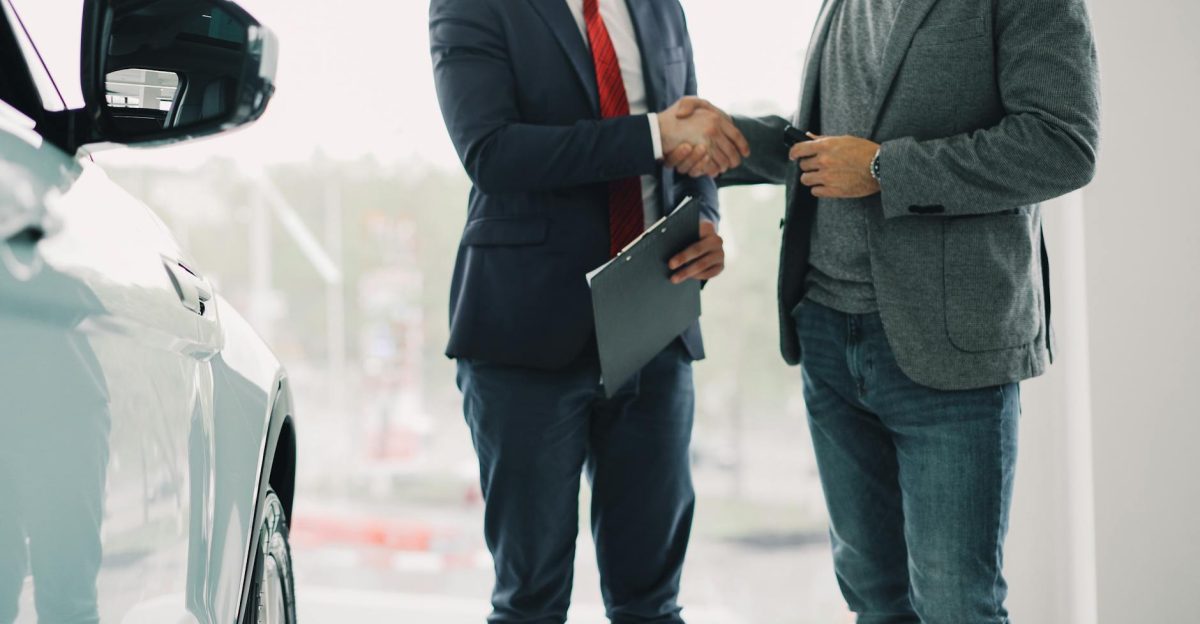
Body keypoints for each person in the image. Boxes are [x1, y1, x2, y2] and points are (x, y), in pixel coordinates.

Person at [666, 0, 1101, 621]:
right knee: (873, 601)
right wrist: (734, 139)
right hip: (826, 333)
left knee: (958, 607)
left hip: (950, 354)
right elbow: (830, 145)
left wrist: (884, 169)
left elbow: (1062, 143)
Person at [429, 1, 748, 622]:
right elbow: (492, 153)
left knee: (652, 603)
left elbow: (694, 140)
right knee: (530, 603)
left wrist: (705, 218)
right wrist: (654, 136)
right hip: (527, 335)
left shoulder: (659, 7)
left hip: (655, 329)